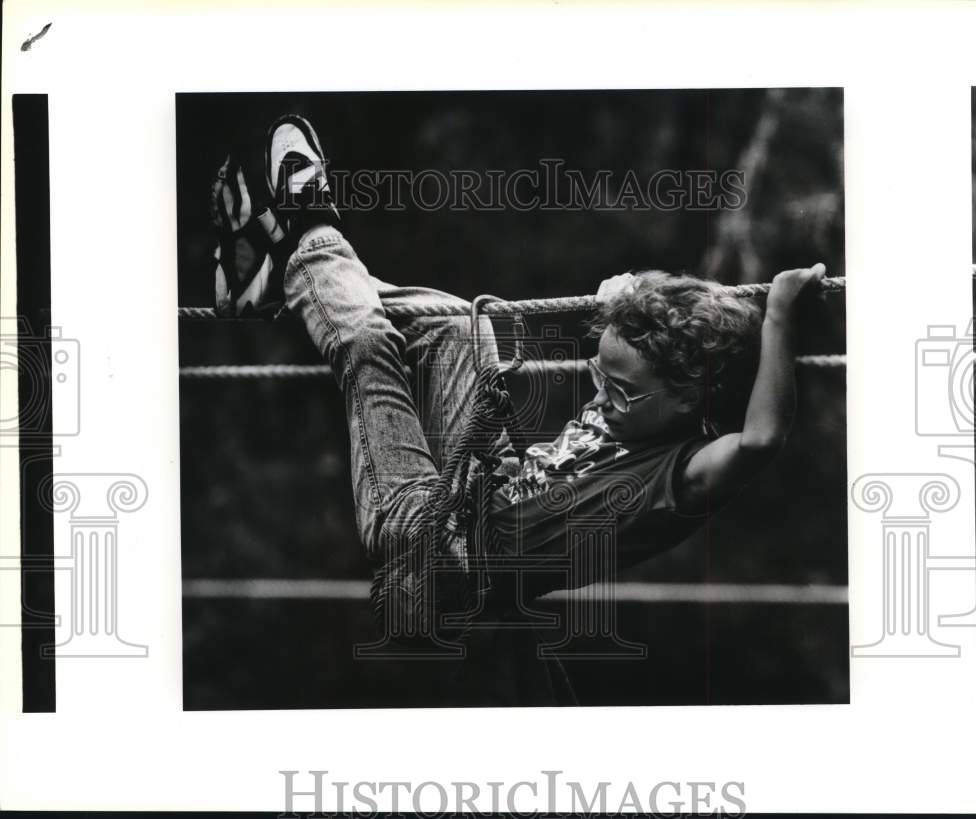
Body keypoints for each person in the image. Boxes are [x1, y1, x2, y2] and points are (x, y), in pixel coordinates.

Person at [210, 114, 826, 703]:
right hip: (483, 480)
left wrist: (777, 316)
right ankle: (277, 271)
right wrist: (625, 299)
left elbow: (761, 441)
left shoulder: (681, 475)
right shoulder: (637, 389)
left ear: (691, 398)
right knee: (457, 324)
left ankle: (308, 231)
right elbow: (641, 343)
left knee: (368, 349)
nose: (602, 398)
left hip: (439, 545)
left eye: (620, 392)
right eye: (597, 375)